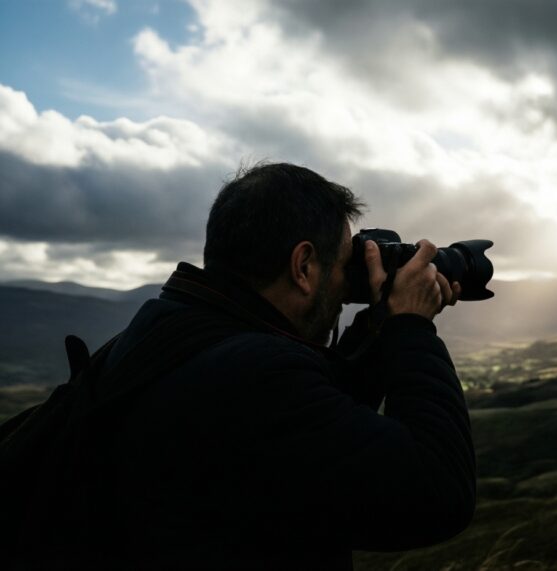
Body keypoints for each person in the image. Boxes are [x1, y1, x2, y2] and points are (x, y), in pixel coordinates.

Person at [27, 163, 476, 568]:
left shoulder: (167, 332)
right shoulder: (256, 379)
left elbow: (318, 422)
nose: (345, 289)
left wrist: (378, 326)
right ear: (303, 267)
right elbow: (439, 492)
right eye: (342, 265)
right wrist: (412, 327)